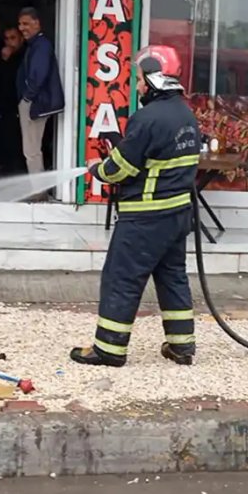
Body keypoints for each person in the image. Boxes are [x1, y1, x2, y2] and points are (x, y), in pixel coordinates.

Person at [70, 45, 200, 368]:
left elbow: (121, 168)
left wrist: (97, 169)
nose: (139, 86)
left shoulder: (147, 118)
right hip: (177, 216)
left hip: (145, 217)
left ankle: (109, 348)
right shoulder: (187, 115)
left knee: (121, 277)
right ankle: (182, 346)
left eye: (141, 79)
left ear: (155, 78)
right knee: (172, 277)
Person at [16, 7, 64, 182]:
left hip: (34, 102)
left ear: (37, 23)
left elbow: (38, 74)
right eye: (20, 24)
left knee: (31, 149)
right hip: (34, 101)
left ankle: (38, 190)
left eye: (26, 23)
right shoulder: (36, 44)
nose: (22, 28)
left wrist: (27, 97)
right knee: (32, 148)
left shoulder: (41, 45)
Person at [0, 26, 26, 174]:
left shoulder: (25, 55)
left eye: (13, 38)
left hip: (21, 103)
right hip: (6, 104)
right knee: (6, 136)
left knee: (19, 139)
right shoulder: (5, 56)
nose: (9, 42)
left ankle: (17, 170)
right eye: (6, 39)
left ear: (21, 38)